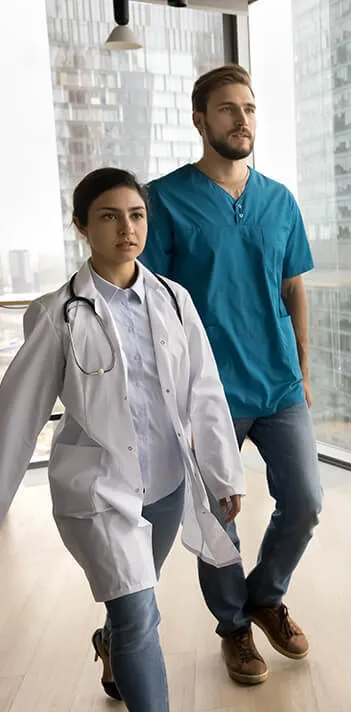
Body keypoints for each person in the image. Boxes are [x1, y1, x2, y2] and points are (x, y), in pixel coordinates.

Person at [0, 168, 245, 712]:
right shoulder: (58, 313)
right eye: (109, 216)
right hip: (100, 493)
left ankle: (108, 643)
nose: (126, 228)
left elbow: (204, 391)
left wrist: (223, 475)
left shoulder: (175, 300)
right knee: (139, 615)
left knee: (130, 600)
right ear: (82, 226)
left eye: (136, 215)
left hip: (166, 485)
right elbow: (16, 417)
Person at [141, 64, 322, 685]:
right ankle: (235, 628)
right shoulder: (163, 199)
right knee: (218, 518)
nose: (241, 119)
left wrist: (301, 358)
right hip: (203, 391)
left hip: (277, 384)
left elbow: (293, 283)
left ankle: (266, 596)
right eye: (226, 109)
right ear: (200, 120)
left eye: (248, 108)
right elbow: (153, 300)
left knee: (304, 500)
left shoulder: (279, 200)